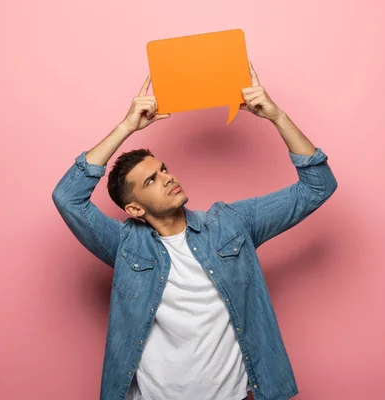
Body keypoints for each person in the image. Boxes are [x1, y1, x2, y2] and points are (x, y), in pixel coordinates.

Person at [52, 62, 338, 400]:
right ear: (134, 209)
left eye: (163, 169)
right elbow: (67, 197)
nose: (167, 178)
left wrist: (277, 116)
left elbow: (318, 186)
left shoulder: (231, 223)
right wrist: (127, 126)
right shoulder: (125, 245)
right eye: (151, 180)